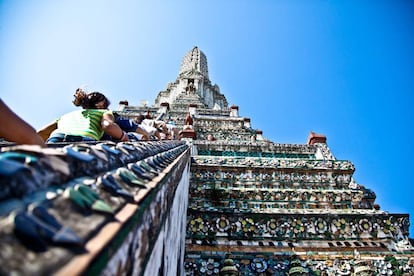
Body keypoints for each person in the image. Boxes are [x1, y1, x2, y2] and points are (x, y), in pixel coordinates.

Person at [37, 89, 129, 143]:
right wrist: (123, 137)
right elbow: (108, 125)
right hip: (83, 140)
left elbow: (41, 132)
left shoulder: (66, 115)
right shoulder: (104, 112)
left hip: (55, 138)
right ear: (102, 106)